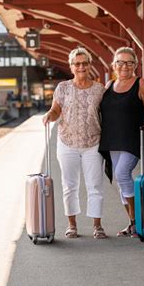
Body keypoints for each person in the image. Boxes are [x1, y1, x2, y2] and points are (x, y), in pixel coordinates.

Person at [42, 47, 106, 239]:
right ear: (71, 66)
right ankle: (72, 225)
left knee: (95, 185)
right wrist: (48, 115)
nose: (81, 67)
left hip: (93, 143)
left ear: (89, 65)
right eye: (77, 64)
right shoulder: (63, 88)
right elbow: (56, 110)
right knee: (69, 185)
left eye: (84, 63)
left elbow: (109, 114)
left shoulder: (99, 90)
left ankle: (97, 226)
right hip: (67, 143)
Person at [99, 46, 144, 238]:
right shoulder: (109, 86)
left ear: (135, 65)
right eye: (121, 62)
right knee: (120, 180)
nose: (125, 66)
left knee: (122, 173)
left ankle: (136, 221)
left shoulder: (140, 83)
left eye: (129, 62)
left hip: (133, 138)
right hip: (113, 139)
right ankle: (132, 222)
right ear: (114, 65)